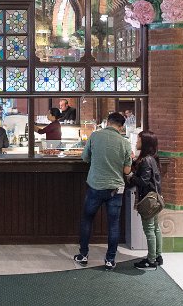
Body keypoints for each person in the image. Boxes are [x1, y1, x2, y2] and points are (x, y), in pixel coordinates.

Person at [73, 112, 132, 271]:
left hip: (95, 186)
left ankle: (83, 255)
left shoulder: (95, 136)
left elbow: (85, 158)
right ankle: (110, 260)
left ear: (107, 122)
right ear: (121, 127)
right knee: (113, 225)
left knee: (87, 220)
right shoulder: (125, 143)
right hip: (115, 189)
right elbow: (127, 170)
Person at [128, 132, 163, 270]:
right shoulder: (152, 158)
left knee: (149, 229)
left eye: (138, 139)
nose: (136, 142)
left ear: (145, 143)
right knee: (155, 228)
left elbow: (143, 181)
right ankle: (158, 256)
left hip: (148, 199)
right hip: (155, 198)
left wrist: (130, 175)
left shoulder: (146, 160)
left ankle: (151, 260)